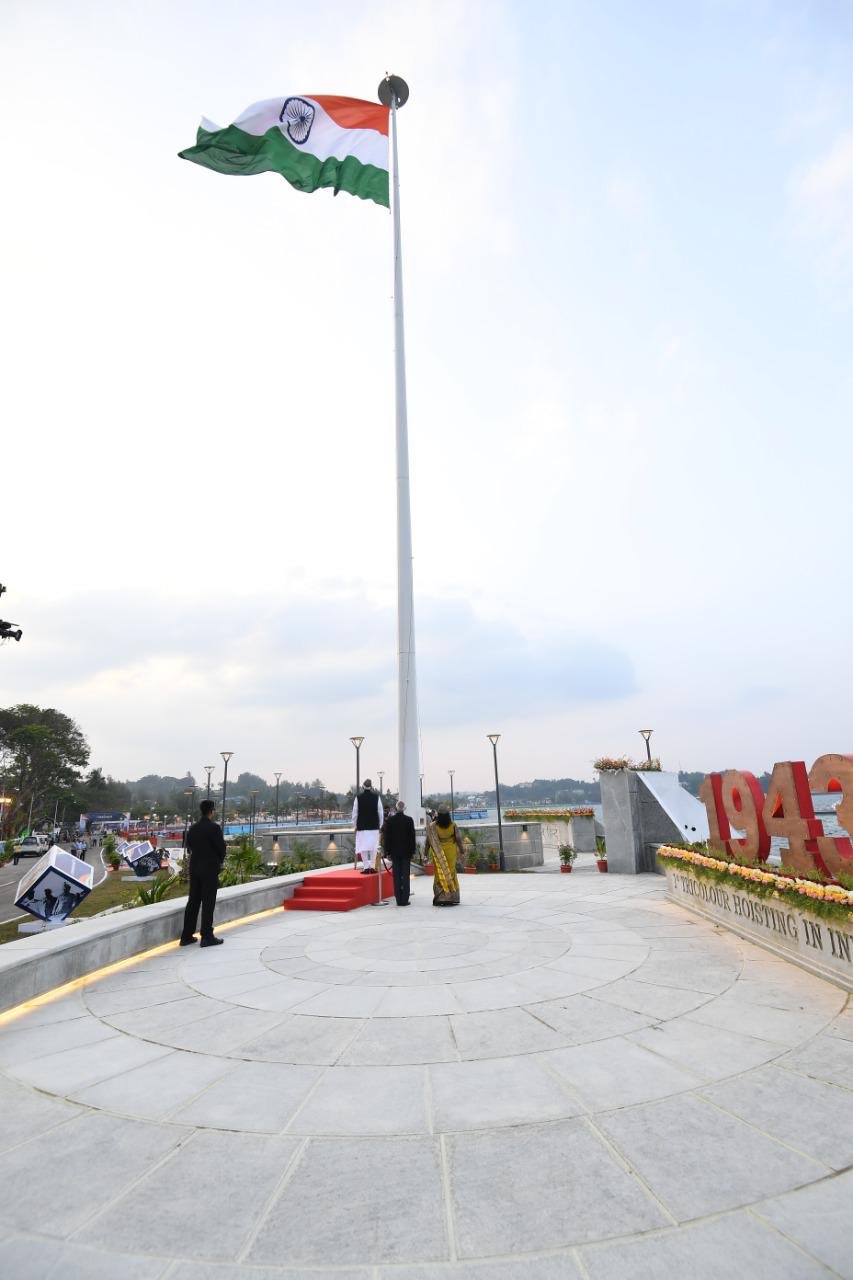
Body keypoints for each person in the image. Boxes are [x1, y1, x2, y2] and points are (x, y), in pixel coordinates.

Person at [179, 799, 227, 947]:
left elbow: (190, 846)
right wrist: (218, 861)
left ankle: (186, 936)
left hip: (195, 868)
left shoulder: (193, 828)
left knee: (193, 901)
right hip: (209, 869)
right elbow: (221, 849)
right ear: (211, 811)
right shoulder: (214, 828)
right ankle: (206, 936)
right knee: (208, 902)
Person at [426, 804, 462, 906]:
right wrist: (462, 851)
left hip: (438, 853)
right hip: (451, 851)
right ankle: (452, 897)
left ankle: (441, 897)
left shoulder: (433, 826)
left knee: (439, 874)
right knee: (450, 872)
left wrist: (425, 854)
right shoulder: (453, 825)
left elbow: (428, 842)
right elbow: (458, 838)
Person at [381, 800, 415, 906]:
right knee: (405, 875)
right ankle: (405, 899)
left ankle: (398, 899)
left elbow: (387, 838)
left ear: (396, 808)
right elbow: (412, 838)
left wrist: (387, 852)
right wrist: (412, 851)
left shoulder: (390, 821)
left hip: (394, 853)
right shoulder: (409, 820)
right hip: (406, 852)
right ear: (404, 809)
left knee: (396, 876)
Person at [352, 779, 383, 874]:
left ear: (363, 786)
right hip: (374, 826)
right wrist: (380, 824)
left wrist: (355, 825)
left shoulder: (358, 798)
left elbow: (355, 813)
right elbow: (380, 812)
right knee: (373, 847)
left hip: (362, 826)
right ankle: (372, 867)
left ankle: (366, 867)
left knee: (363, 847)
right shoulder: (376, 797)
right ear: (371, 786)